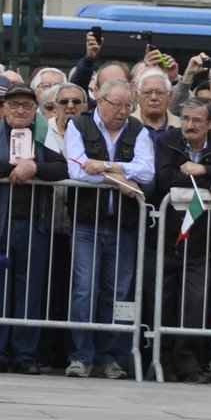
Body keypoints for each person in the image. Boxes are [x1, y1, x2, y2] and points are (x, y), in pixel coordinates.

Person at [0, 82, 67, 375]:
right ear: (5, 108)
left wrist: (35, 168)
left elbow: (61, 169)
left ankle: (25, 353)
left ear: (36, 109)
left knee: (31, 290)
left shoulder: (44, 135)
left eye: (26, 105)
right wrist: (14, 169)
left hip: (35, 223)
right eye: (13, 105)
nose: (19, 110)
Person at [63, 78, 156, 379]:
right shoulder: (79, 124)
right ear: (100, 101)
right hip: (87, 222)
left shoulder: (138, 129)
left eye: (128, 105)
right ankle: (81, 356)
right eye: (117, 105)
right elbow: (77, 169)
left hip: (124, 225)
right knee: (84, 289)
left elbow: (147, 171)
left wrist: (104, 165)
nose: (123, 111)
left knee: (118, 294)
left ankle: (110, 357)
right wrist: (120, 180)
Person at [156, 97, 211, 384]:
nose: (189, 125)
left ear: (210, 123)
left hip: (201, 238)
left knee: (194, 303)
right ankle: (163, 363)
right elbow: (164, 178)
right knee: (165, 302)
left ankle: (190, 364)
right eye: (185, 118)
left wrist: (204, 170)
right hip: (166, 237)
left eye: (197, 120)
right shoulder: (168, 140)